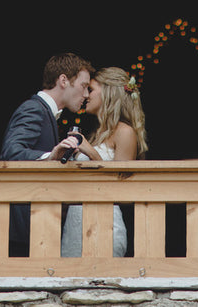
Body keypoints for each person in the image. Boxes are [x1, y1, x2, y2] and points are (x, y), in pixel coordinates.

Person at [1, 52, 94, 255]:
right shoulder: (33, 109)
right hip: (24, 227)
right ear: (63, 80)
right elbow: (11, 153)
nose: (87, 94)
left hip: (37, 226)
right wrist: (50, 157)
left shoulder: (45, 113)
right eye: (84, 86)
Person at [61, 66, 148, 258]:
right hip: (75, 222)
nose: (86, 95)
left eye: (91, 90)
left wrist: (91, 153)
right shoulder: (97, 134)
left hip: (104, 223)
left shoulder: (125, 132)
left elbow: (120, 188)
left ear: (108, 93)